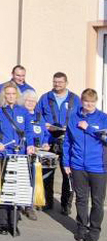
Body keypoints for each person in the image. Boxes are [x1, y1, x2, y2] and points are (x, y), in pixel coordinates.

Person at [0, 82, 35, 236]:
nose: (10, 96)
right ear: (4, 95)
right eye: (7, 94)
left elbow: (29, 131)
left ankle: (13, 221)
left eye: (13, 94)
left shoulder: (23, 112)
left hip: (20, 155)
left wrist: (30, 145)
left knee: (15, 188)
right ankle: (2, 222)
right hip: (4, 155)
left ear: (17, 95)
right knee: (3, 189)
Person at [63, 89, 107, 241]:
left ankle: (94, 231)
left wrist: (88, 128)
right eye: (86, 101)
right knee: (81, 199)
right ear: (81, 101)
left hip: (98, 167)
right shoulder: (73, 117)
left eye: (92, 102)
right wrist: (66, 162)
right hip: (77, 165)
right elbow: (67, 142)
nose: (89, 104)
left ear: (96, 102)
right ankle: (81, 227)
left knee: (97, 201)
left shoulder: (103, 118)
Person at [40, 72, 81, 214]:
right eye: (55, 82)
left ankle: (66, 204)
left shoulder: (75, 99)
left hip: (67, 142)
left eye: (60, 82)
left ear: (66, 83)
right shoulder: (45, 98)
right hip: (49, 141)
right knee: (47, 172)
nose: (57, 85)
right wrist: (44, 126)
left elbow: (80, 118)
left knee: (67, 173)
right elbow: (38, 117)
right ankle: (47, 201)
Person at [21, 90, 49, 221]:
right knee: (24, 179)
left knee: (34, 180)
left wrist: (45, 143)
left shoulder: (39, 116)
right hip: (23, 151)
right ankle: (21, 204)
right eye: (28, 100)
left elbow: (45, 133)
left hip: (37, 153)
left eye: (33, 101)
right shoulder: (20, 114)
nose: (30, 103)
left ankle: (30, 205)